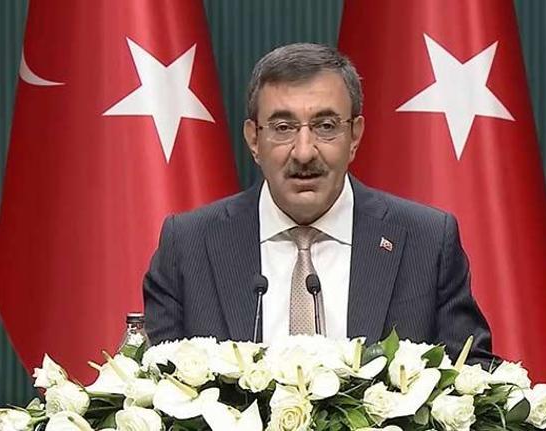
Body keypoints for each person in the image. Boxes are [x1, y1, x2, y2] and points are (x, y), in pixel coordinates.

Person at [143, 42, 493, 364]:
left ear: (354, 136)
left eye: (325, 126)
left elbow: (474, 379)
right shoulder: (188, 245)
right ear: (253, 140)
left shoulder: (426, 242)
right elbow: (153, 381)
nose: (304, 152)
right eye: (283, 127)